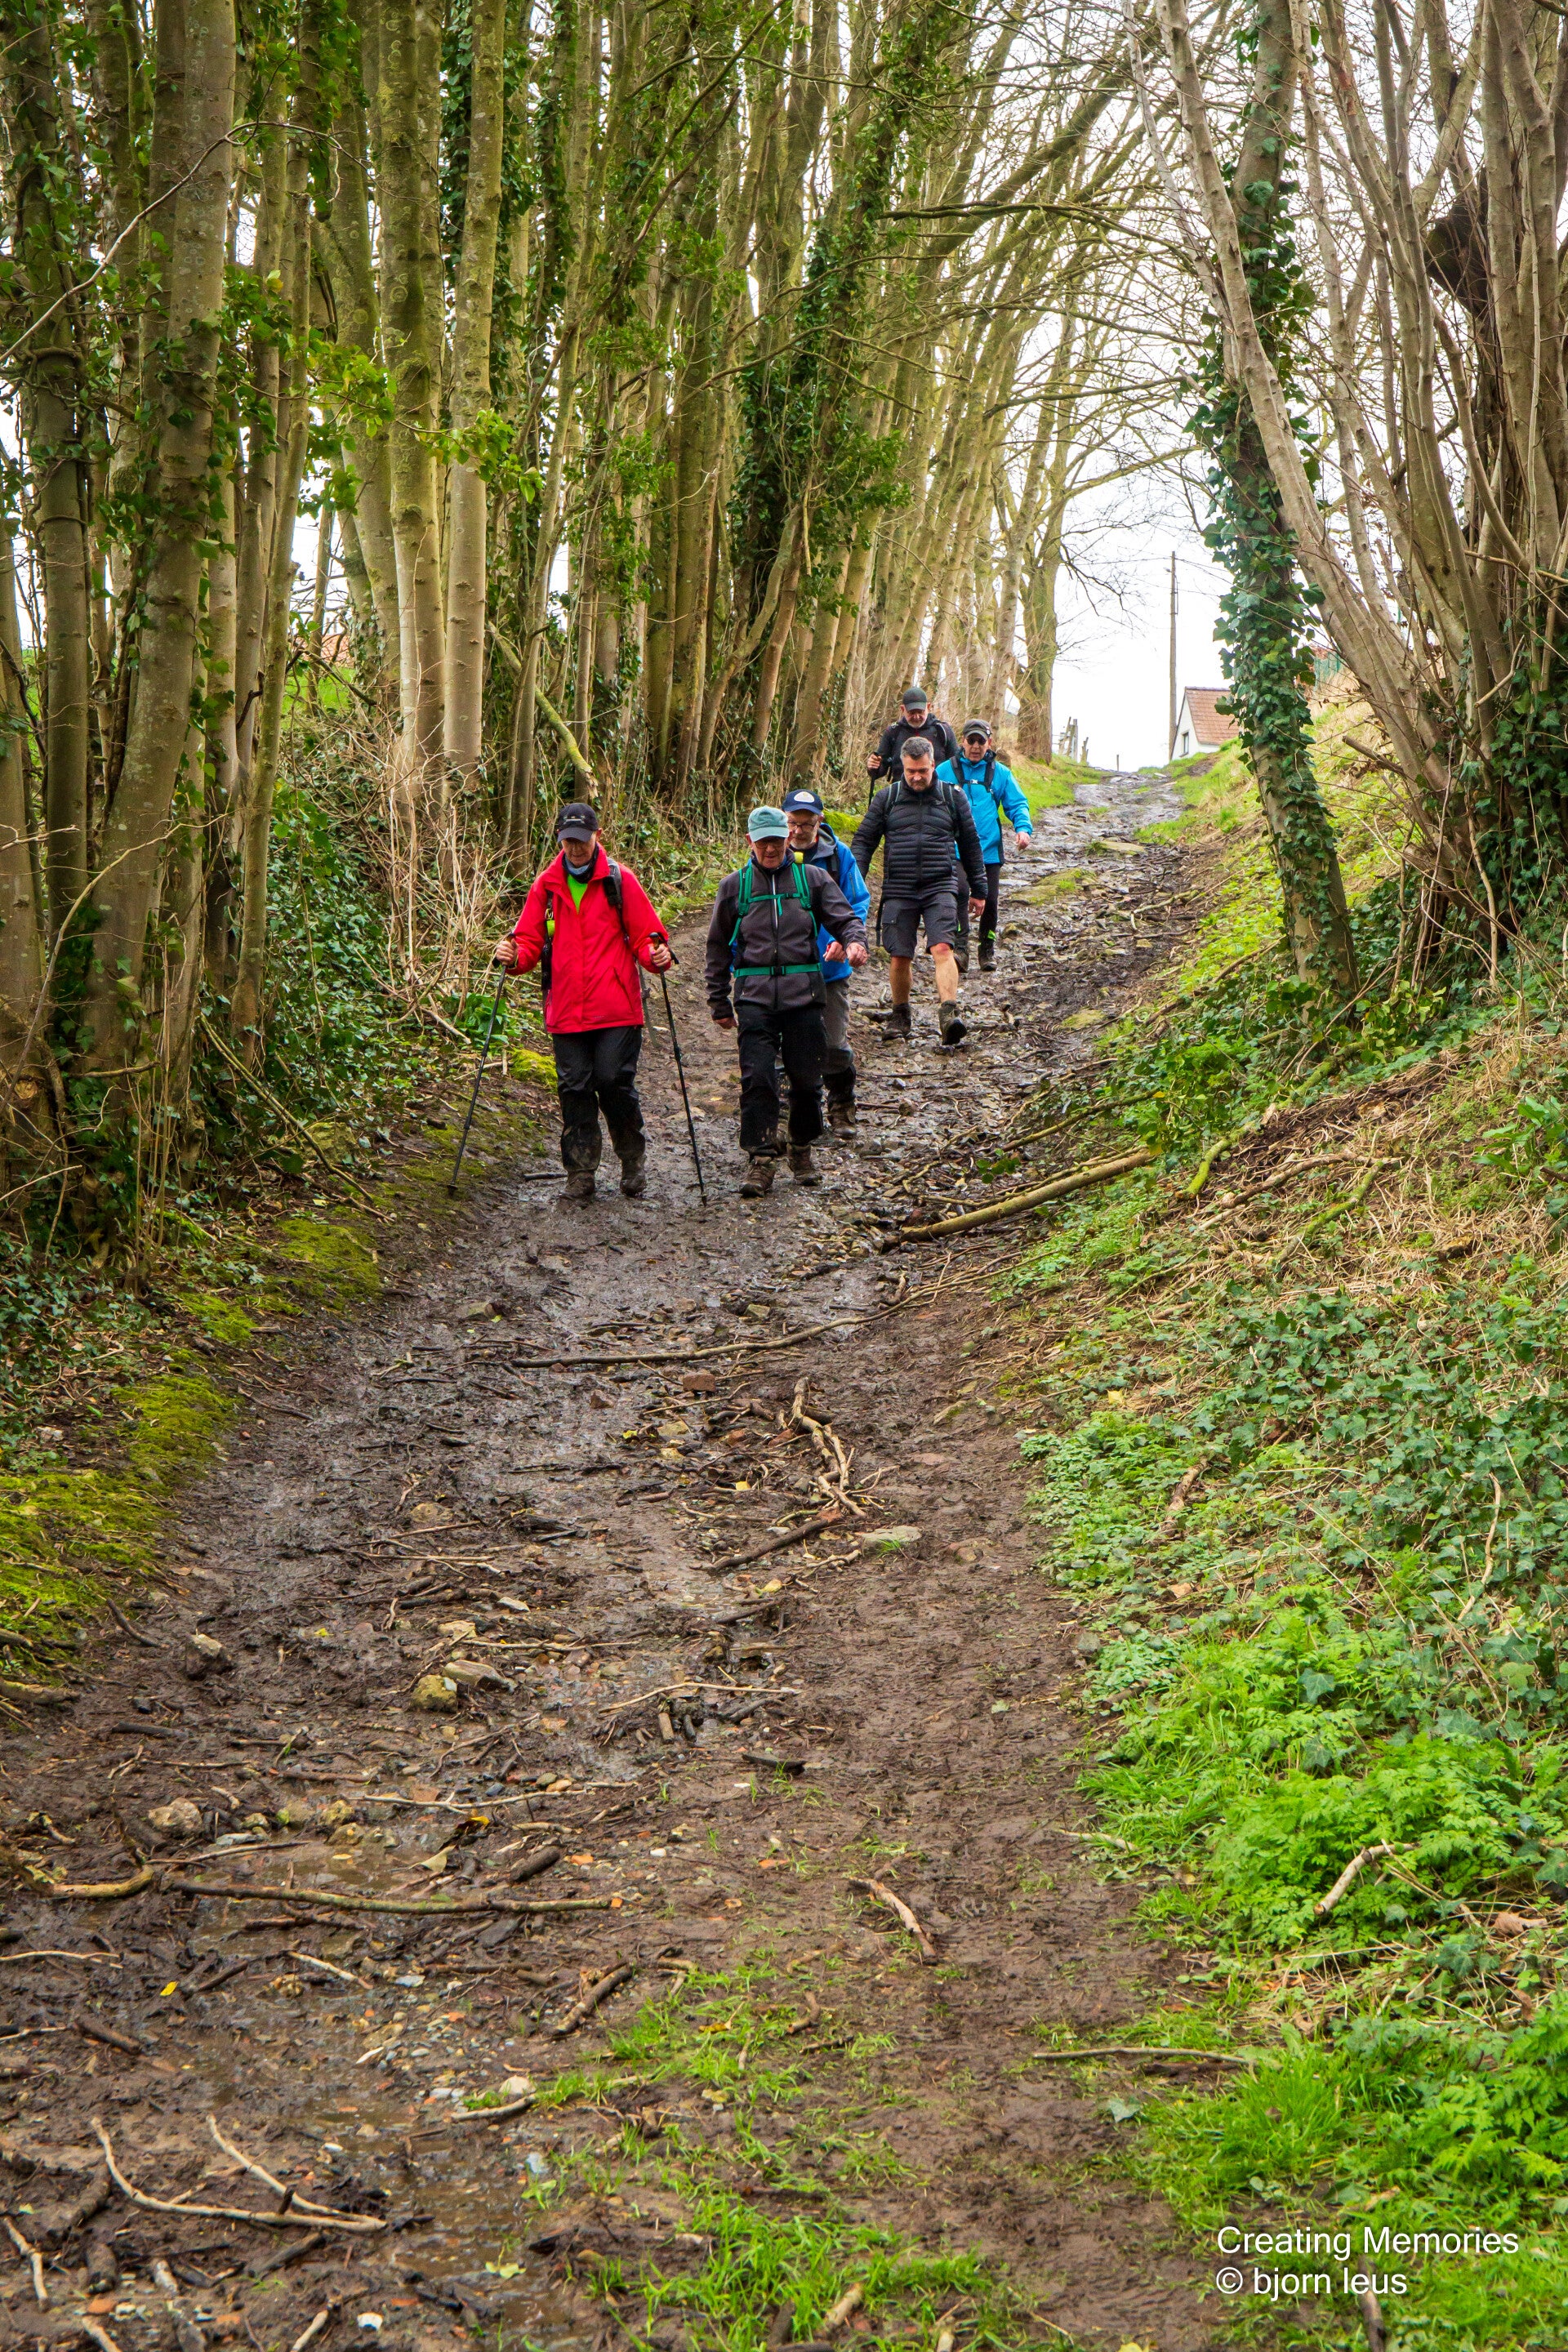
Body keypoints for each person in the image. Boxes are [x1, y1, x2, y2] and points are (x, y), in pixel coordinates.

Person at [495, 801, 673, 1202]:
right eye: (568, 841)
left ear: (597, 836)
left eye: (581, 840)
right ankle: (580, 1171)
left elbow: (646, 935)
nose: (575, 848)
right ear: (559, 840)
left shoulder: (620, 880)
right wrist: (513, 956)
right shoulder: (546, 886)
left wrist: (656, 955)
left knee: (613, 1082)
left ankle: (632, 1161)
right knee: (574, 1088)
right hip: (566, 1008)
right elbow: (528, 941)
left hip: (617, 1006)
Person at [706, 806, 867, 1197]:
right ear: (750, 841)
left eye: (777, 842)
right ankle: (761, 1158)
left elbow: (846, 918)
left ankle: (801, 1147)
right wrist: (718, 1001)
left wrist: (855, 942)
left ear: (788, 839)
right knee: (757, 1079)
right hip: (754, 998)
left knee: (807, 1081)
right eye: (763, 843)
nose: (770, 849)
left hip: (804, 996)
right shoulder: (734, 887)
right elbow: (717, 947)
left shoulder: (813, 879)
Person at [851, 737, 986, 1048]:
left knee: (943, 948)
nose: (916, 777)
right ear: (902, 767)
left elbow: (971, 845)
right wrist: (855, 882)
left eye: (923, 771)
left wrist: (979, 889)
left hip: (941, 885)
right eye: (911, 771)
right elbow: (864, 842)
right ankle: (900, 1015)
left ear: (933, 765)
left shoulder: (953, 797)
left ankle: (949, 1014)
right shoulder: (887, 798)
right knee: (900, 955)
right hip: (899, 887)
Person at [781, 785, 871, 1138]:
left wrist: (843, 939)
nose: (798, 831)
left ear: (819, 820)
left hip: (831, 969)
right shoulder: (771, 854)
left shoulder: (839, 856)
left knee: (833, 1043)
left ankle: (842, 1103)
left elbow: (857, 902)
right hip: (786, 970)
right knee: (786, 1046)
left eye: (806, 823)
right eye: (793, 823)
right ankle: (788, 1114)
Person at [936, 720, 1035, 973]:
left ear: (989, 743)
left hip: (988, 849)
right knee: (959, 890)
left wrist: (1023, 829)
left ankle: (987, 948)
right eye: (971, 740)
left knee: (990, 899)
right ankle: (960, 947)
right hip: (955, 848)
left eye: (981, 741)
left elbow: (1017, 803)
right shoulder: (944, 771)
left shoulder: (1000, 773)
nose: (976, 746)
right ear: (963, 741)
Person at [866, 686, 959, 791]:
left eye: (920, 712)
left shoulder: (943, 731)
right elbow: (880, 770)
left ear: (928, 707)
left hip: (937, 794)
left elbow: (957, 766)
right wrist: (873, 766)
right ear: (903, 709)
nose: (916, 717)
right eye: (912, 713)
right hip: (902, 793)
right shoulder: (893, 732)